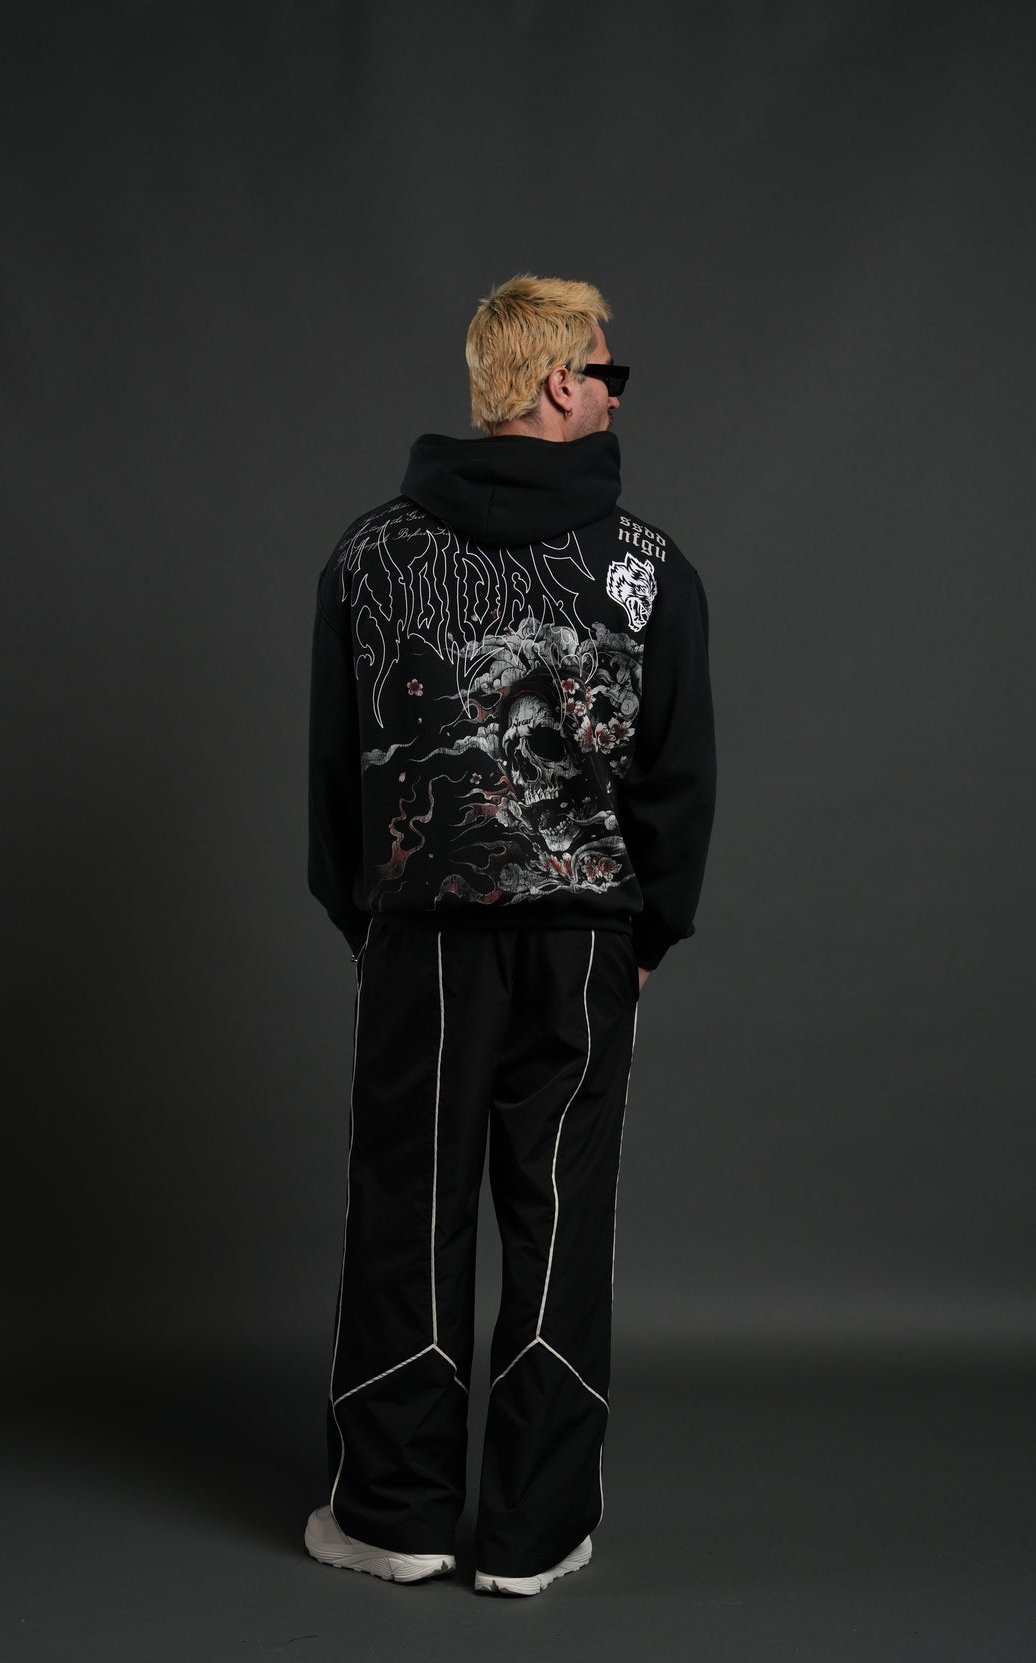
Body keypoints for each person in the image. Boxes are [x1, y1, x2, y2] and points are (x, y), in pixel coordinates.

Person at [305, 275, 716, 1596]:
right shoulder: (649, 568)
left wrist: (379, 918)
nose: (615, 396)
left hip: (421, 931)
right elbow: (677, 781)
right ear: (557, 383)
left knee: (406, 1205)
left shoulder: (369, 557)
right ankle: (534, 1533)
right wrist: (645, 929)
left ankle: (395, 1517)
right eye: (607, 372)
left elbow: (337, 780)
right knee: (559, 1211)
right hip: (584, 940)